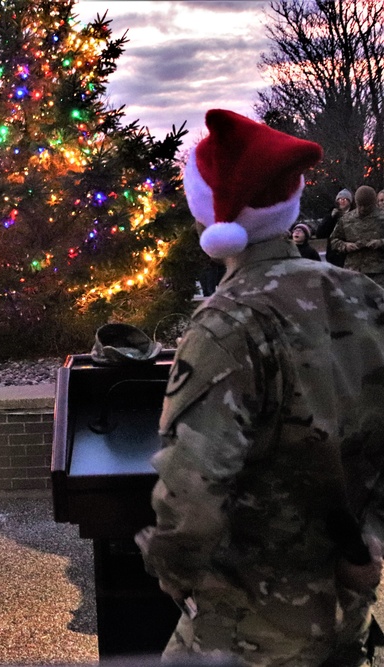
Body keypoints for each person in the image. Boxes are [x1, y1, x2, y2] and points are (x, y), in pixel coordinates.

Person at [136, 109, 384, 666]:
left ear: (212, 220)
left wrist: (173, 570)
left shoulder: (225, 325)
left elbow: (192, 488)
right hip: (348, 603)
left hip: (250, 626)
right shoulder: (363, 296)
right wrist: (368, 542)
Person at [330, 185, 384, 286]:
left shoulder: (382, 217)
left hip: (378, 273)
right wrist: (345, 246)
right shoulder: (346, 219)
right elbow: (333, 240)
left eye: (366, 205)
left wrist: (380, 243)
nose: (363, 208)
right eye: (360, 205)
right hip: (353, 271)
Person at [318, 188, 353, 266]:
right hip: (334, 255)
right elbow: (320, 233)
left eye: (344, 199)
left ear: (349, 201)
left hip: (349, 255)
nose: (342, 201)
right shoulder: (332, 214)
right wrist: (330, 218)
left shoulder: (354, 214)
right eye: (339, 199)